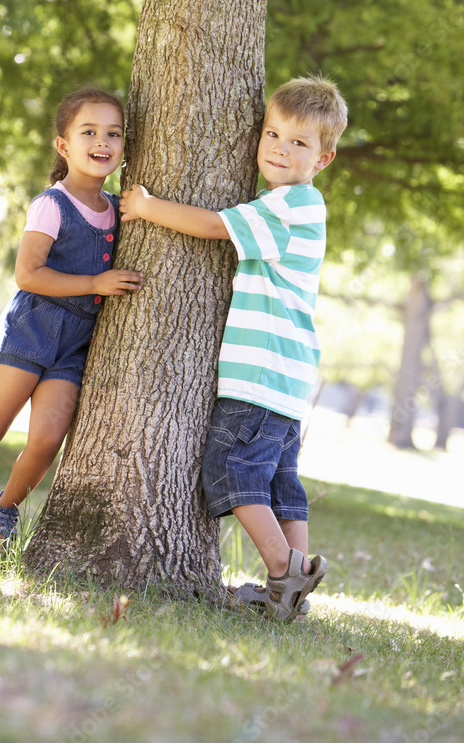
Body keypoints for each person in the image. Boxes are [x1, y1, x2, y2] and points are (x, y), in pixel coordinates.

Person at [120, 75, 347, 620]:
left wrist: (148, 208)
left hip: (261, 372)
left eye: (299, 143)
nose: (280, 149)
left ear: (323, 158)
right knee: (280, 482)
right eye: (273, 134)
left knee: (232, 467)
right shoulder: (294, 204)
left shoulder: (291, 206)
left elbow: (214, 225)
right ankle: (294, 588)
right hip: (288, 377)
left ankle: (283, 574)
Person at [0, 88, 143, 554]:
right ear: (64, 145)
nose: (102, 141)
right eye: (88, 131)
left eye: (113, 133)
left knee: (49, 438)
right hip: (33, 328)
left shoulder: (119, 208)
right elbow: (28, 273)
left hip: (76, 342)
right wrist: (96, 282)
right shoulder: (52, 203)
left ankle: (3, 511)